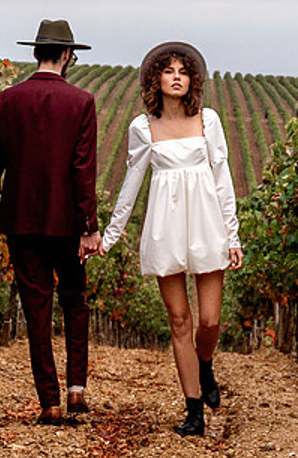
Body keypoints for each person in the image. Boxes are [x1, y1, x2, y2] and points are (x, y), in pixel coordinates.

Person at [98, 41, 243, 437]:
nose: (176, 78)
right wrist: (111, 235)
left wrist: (233, 235)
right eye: (168, 71)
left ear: (193, 80)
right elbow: (131, 184)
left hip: (206, 224)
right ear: (156, 79)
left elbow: (223, 178)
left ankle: (205, 364)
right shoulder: (142, 127)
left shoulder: (208, 121)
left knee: (209, 321)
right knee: (180, 321)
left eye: (183, 71)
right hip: (166, 227)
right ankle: (194, 412)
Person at [0, 19, 101, 426]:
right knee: (75, 300)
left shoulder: (7, 100)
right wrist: (89, 225)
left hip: (21, 220)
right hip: (67, 222)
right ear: (67, 55)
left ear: (35, 53)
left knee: (37, 309)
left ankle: (49, 402)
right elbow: (83, 170)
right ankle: (76, 389)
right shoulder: (82, 102)